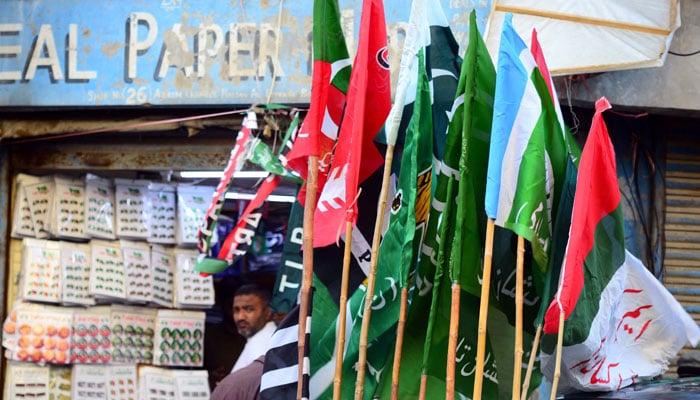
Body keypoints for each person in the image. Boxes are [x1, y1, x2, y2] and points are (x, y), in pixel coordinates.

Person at [229, 283, 276, 373]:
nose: (240, 317)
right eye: (236, 310)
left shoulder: (263, 343)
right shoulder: (257, 339)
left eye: (249, 309)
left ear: (268, 312)